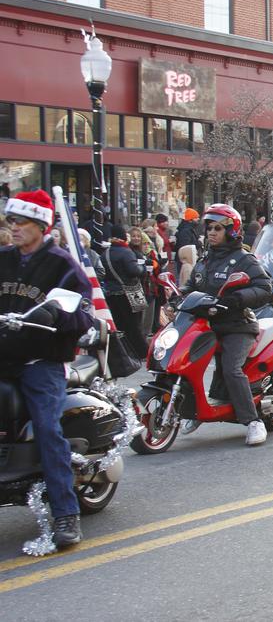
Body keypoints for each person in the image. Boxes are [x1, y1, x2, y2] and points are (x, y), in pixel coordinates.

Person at [0, 190, 95, 547]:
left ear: (41, 225)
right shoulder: (3, 259)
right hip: (2, 356)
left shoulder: (61, 264)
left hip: (40, 361)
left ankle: (65, 514)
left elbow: (83, 311)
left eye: (21, 222)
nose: (14, 228)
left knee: (46, 427)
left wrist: (56, 312)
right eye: (11, 221)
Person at [176, 204, 272, 445]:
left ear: (231, 231)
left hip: (237, 325)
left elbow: (264, 287)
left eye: (217, 228)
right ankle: (195, 409)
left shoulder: (243, 259)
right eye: (209, 227)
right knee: (185, 363)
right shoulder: (206, 260)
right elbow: (193, 286)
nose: (211, 232)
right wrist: (175, 299)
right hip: (206, 323)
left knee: (231, 369)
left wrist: (237, 298)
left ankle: (253, 421)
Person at [104, 224, 149, 356]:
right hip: (131, 291)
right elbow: (134, 270)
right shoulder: (126, 252)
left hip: (112, 293)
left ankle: (124, 351)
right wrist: (144, 269)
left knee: (119, 324)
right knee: (135, 325)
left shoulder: (105, 253)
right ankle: (142, 351)